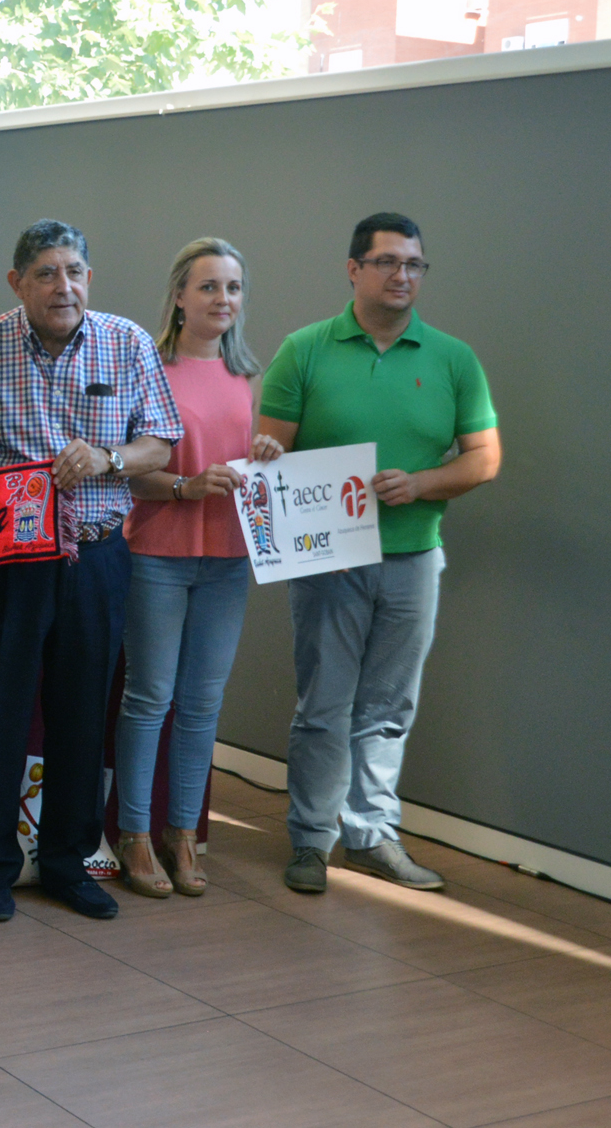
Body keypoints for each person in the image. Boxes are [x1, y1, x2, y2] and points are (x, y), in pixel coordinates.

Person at [0, 219, 181, 922]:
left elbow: (161, 443)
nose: (64, 286)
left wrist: (110, 458)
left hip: (98, 554)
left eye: (75, 271)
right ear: (17, 283)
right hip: (7, 559)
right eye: (46, 273)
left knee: (82, 715)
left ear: (90, 278)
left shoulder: (127, 342)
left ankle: (66, 864)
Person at [260, 213, 499, 895]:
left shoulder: (453, 358)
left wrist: (420, 484)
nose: (403, 275)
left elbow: (484, 459)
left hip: (414, 559)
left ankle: (370, 836)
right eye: (388, 261)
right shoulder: (304, 349)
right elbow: (271, 455)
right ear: (354, 269)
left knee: (389, 709)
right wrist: (274, 466)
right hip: (329, 564)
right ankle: (311, 840)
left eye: (414, 264)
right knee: (324, 706)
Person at [111, 239, 281, 899]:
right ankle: (134, 834)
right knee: (149, 698)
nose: (223, 299)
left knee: (203, 703)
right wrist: (185, 487)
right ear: (180, 296)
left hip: (228, 560)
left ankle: (182, 834)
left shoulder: (250, 377)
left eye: (233, 288)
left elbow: (262, 469)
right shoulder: (148, 368)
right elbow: (128, 472)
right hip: (157, 554)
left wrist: (267, 452)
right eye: (209, 286)